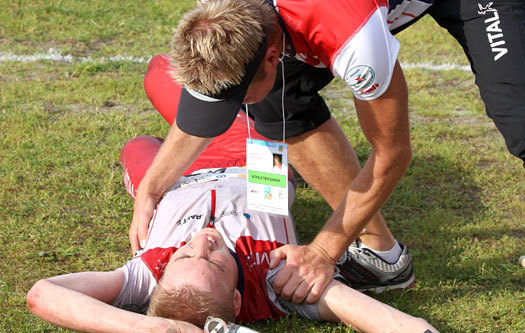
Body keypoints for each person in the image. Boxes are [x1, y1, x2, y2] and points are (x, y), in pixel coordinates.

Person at [129, 0, 525, 306]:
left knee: (519, 115)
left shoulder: (352, 39)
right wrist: (150, 189)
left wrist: (322, 252)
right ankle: (381, 256)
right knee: (273, 100)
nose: (231, 110)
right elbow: (209, 101)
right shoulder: (221, 15)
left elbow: (393, 152)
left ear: (271, 56)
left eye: (233, 99)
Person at [26, 101, 438, 333]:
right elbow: (399, 325)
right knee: (238, 103)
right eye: (215, 260)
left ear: (163, 275)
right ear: (238, 299)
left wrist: (159, 330)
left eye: (184, 257)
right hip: (251, 164)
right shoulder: (275, 282)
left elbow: (43, 293)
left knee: (138, 142)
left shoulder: (148, 275)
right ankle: (240, 106)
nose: (203, 241)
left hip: (173, 184)